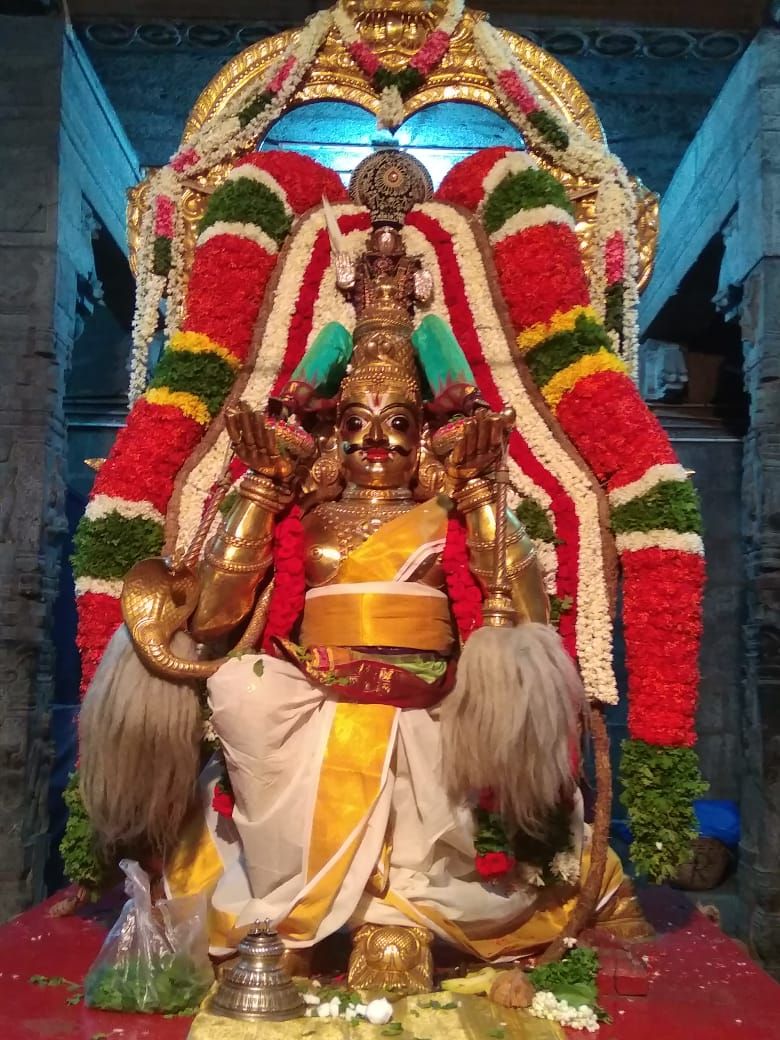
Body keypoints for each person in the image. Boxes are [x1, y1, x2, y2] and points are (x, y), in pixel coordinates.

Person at [79, 152, 629, 993]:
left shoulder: (453, 503)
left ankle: (398, 915)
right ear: (335, 431)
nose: (377, 442)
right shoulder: (304, 501)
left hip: (424, 694)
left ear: (424, 428)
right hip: (317, 689)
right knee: (242, 691)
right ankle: (292, 912)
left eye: (399, 422)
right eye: (359, 424)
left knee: (438, 728)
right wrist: (262, 485)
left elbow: (520, 615)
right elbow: (219, 618)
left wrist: (483, 489)